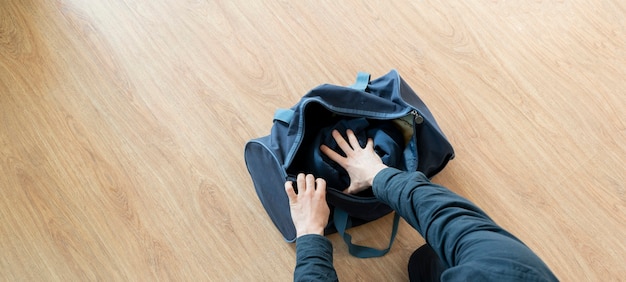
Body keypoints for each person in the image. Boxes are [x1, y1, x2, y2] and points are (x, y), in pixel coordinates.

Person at [285, 129, 558, 281]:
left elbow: (454, 221)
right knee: (428, 261)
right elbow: (453, 222)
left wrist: (310, 233)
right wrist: (377, 173)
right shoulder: (509, 273)